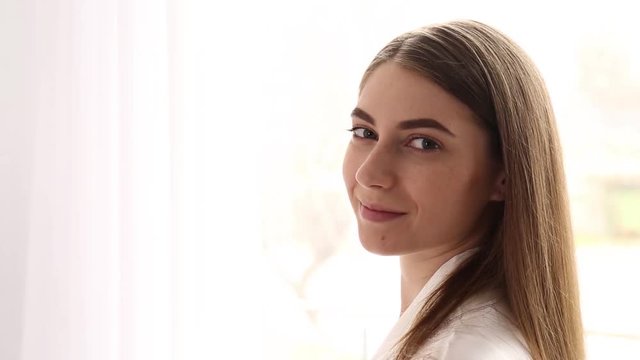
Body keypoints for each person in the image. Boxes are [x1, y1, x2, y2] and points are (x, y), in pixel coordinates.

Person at [342, 20, 584, 360]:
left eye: (424, 143)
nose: (369, 174)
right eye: (365, 133)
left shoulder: (458, 350)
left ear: (503, 175)